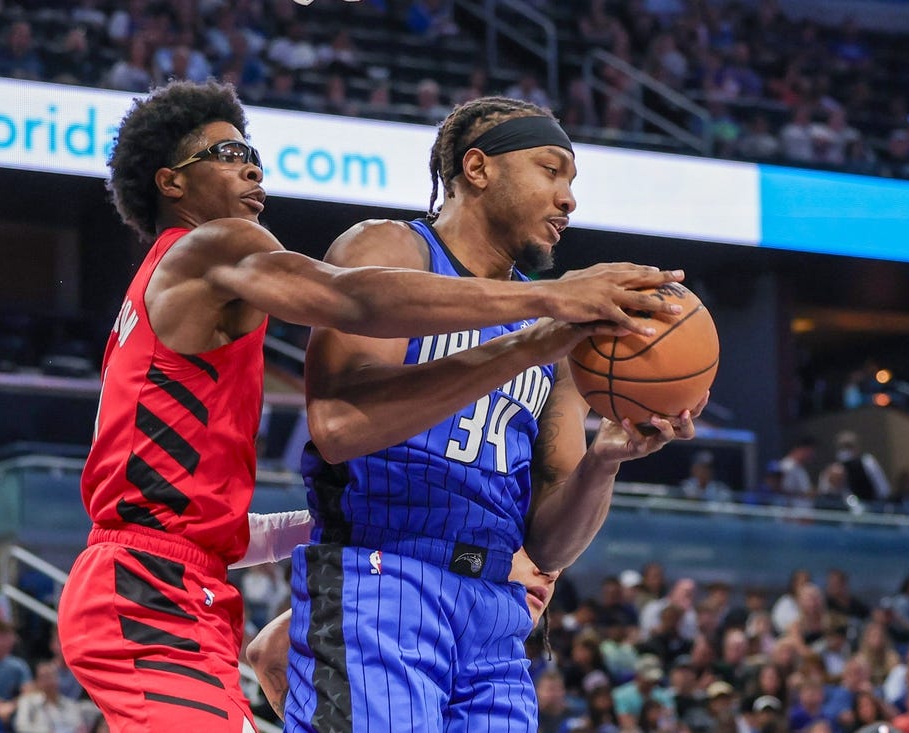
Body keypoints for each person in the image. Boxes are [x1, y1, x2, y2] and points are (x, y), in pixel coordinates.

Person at [56, 80, 671, 733]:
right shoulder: (214, 246)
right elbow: (349, 301)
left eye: (251, 151)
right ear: (170, 183)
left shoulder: (187, 288)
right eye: (228, 152)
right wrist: (548, 303)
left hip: (197, 580)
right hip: (152, 588)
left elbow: (188, 514)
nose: (253, 165)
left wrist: (315, 525)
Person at [287, 95, 702, 733]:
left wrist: (604, 462)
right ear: (477, 168)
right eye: (550, 169)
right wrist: (528, 341)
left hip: (495, 615)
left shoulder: (554, 332)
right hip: (380, 579)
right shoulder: (393, 249)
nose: (568, 199)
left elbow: (548, 544)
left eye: (572, 181)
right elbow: (341, 428)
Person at [245, 546, 560, 720]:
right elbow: (267, 652)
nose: (550, 571)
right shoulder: (402, 601)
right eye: (534, 551)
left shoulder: (510, 670)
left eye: (562, 565)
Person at [13, 661, 88, 733]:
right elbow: (21, 727)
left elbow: (79, 727)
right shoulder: (27, 702)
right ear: (37, 681)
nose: (49, 681)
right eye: (44, 677)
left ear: (58, 679)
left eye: (51, 676)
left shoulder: (70, 705)